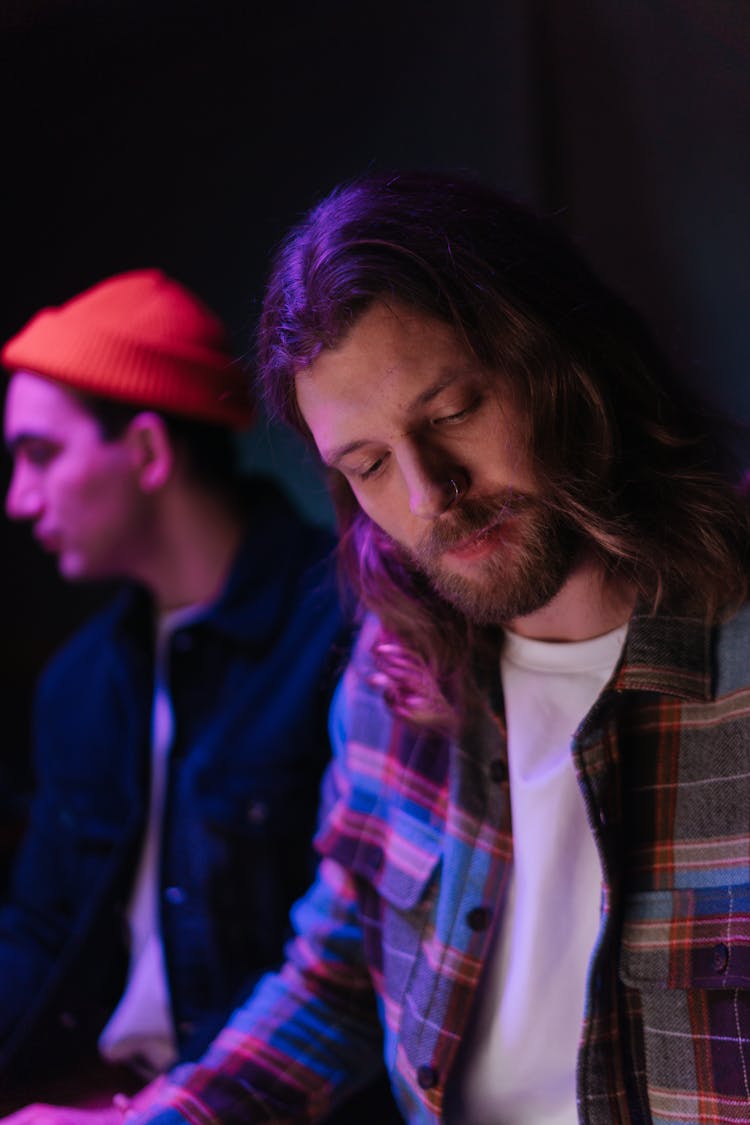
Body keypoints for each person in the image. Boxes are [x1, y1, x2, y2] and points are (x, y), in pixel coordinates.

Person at [7, 172, 750, 1125]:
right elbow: (341, 975)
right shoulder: (391, 668)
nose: (430, 492)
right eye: (366, 465)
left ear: (568, 360)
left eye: (451, 414)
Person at [0, 270, 350, 1113]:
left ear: (149, 452)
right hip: (102, 1082)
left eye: (40, 454)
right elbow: (40, 930)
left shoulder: (341, 632)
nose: (17, 498)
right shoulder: (83, 680)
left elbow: (353, 967)